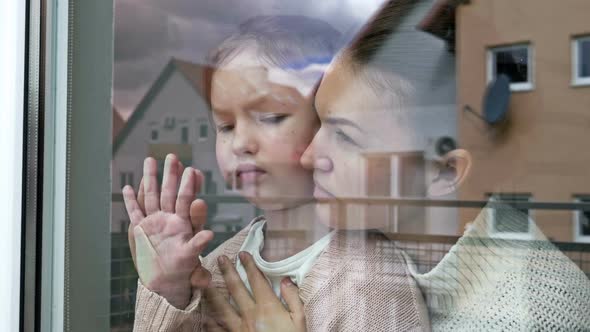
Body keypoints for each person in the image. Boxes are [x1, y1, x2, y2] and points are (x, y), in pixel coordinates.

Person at [210, 1, 590, 331]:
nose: (308, 156)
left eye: (345, 137)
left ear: (442, 173)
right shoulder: (360, 250)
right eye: (320, 120)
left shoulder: (528, 316)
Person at [124, 15, 430, 331]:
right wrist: (170, 289)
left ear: (330, 120)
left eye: (271, 117)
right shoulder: (220, 264)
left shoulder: (372, 282)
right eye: (226, 126)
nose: (240, 143)